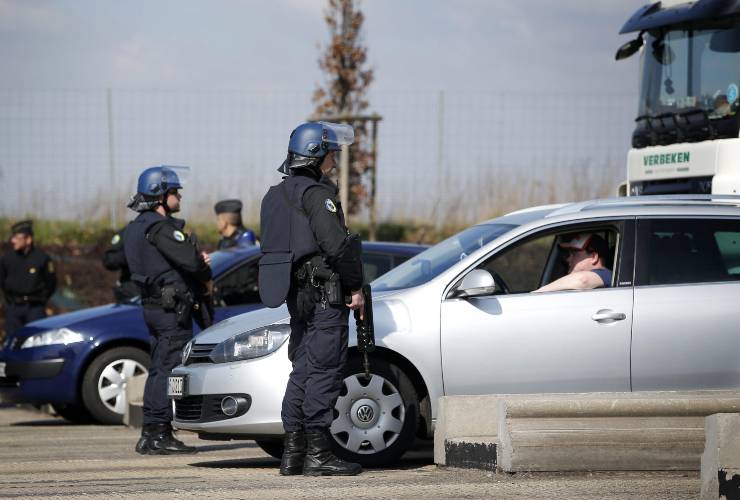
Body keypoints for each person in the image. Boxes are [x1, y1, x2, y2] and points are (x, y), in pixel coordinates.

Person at [259, 121, 365, 477]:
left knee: (302, 370)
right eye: (331, 152)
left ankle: (292, 454)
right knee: (324, 369)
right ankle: (319, 454)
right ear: (317, 155)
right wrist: (355, 287)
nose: (335, 159)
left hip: (296, 296)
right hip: (325, 296)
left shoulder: (275, 195)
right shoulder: (318, 195)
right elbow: (337, 245)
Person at [123, 165, 212, 455]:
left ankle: (151, 433)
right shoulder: (160, 228)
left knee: (158, 369)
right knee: (167, 370)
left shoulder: (136, 227)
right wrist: (199, 259)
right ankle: (159, 434)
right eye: (175, 192)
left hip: (153, 307)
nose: (179, 197)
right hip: (170, 310)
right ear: (161, 196)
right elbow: (192, 263)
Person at [0, 220, 57, 336]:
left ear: (28, 239)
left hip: (35, 308)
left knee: (37, 339)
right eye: (13, 237)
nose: (13, 241)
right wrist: (9, 300)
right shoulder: (7, 258)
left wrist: (42, 299)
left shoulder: (42, 258)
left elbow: (51, 282)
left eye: (17, 238)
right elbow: (2, 280)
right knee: (12, 339)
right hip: (13, 307)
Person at [534, 233, 612, 292]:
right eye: (569, 254)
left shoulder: (605, 274)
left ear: (593, 257)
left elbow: (583, 280)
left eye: (574, 254)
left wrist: (538, 293)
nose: (568, 259)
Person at [101, 225, 139, 302]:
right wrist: (130, 252)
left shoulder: (167, 227)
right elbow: (109, 260)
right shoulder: (131, 230)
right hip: (132, 294)